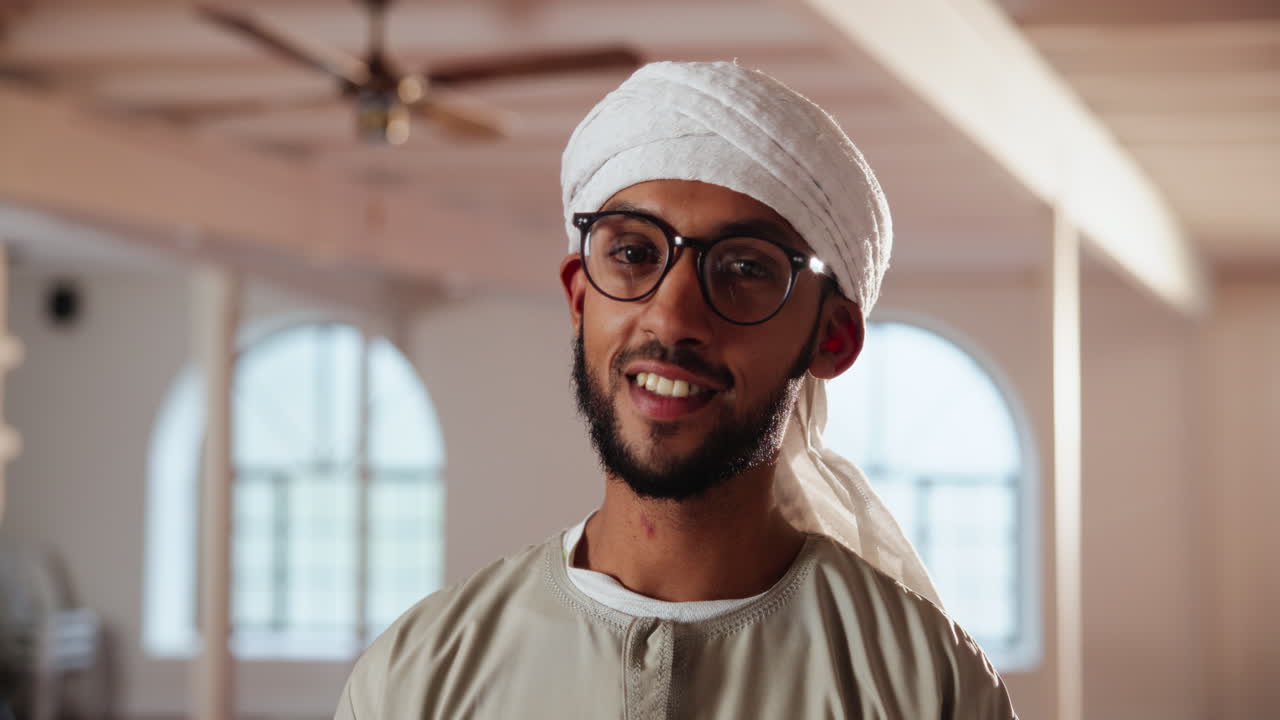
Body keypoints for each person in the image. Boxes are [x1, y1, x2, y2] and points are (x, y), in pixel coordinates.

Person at [335, 61, 1019, 719]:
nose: (672, 317)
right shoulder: (419, 674)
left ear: (831, 338)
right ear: (579, 297)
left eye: (745, 267)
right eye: (633, 254)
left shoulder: (924, 685)